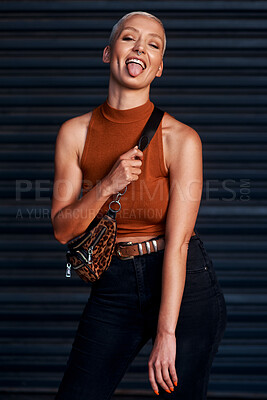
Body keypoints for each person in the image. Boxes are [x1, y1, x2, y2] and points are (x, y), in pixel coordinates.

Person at [51, 11, 227, 400]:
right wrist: (107, 185)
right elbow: (63, 228)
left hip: (184, 286)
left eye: (153, 44)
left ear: (159, 67)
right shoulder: (74, 133)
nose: (140, 49)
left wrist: (167, 333)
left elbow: (179, 243)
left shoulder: (182, 139)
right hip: (113, 283)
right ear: (107, 52)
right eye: (130, 38)